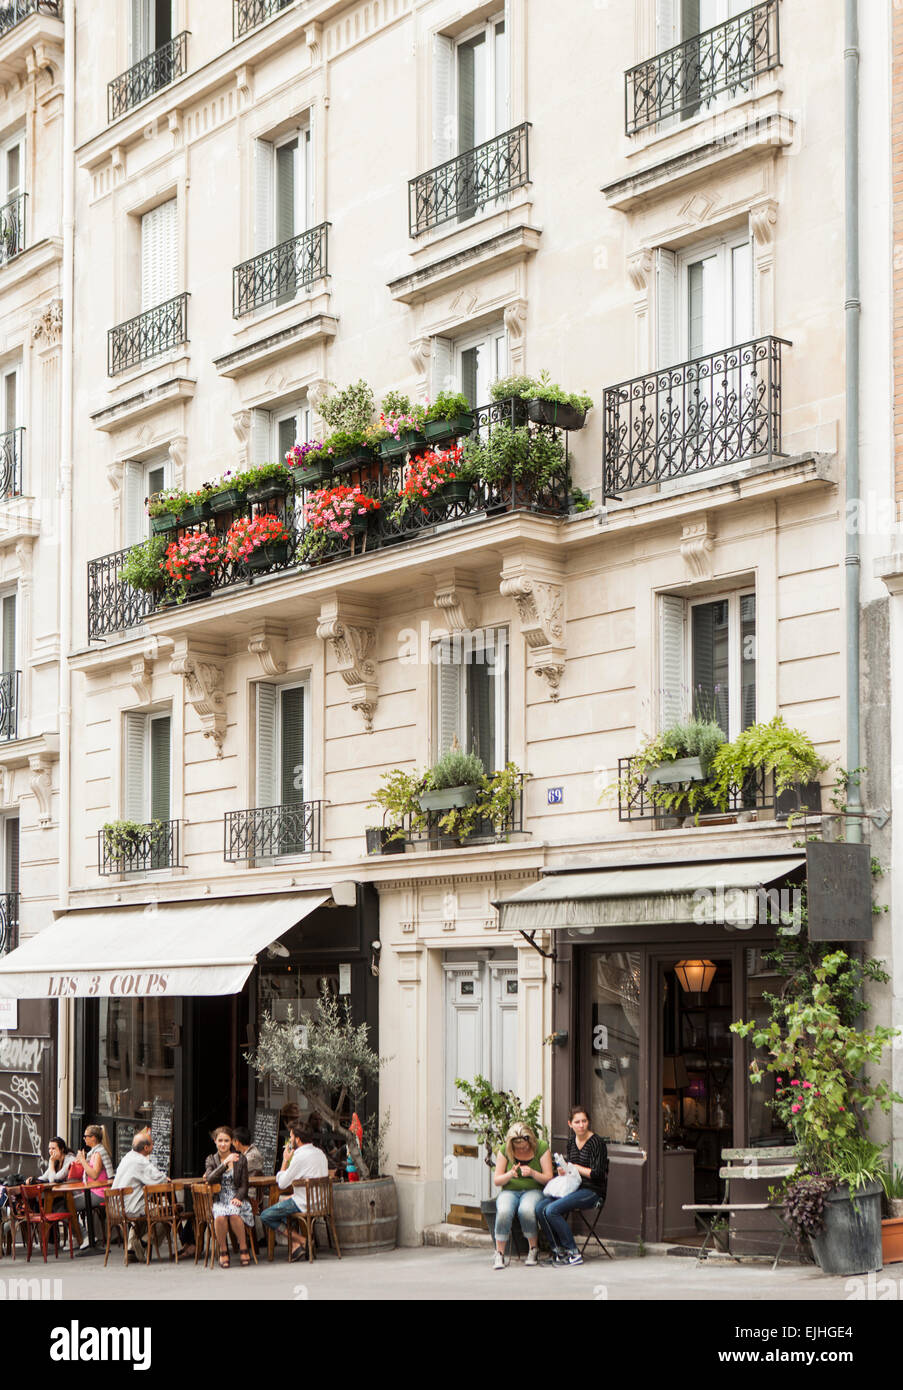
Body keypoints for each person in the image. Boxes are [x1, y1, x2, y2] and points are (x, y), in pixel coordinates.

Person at [536, 1105, 608, 1267]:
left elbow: (597, 1174)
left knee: (552, 1210)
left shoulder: (597, 1143)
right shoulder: (571, 1142)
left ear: (588, 1122)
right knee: (540, 1208)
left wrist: (574, 1167)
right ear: (570, 1124)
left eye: (584, 1121)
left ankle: (573, 1253)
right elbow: (572, 1171)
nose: (581, 1125)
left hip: (592, 1190)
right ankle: (558, 1251)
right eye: (577, 1122)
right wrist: (564, 1170)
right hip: (573, 1187)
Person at [259, 1119, 328, 1260]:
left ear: (297, 1139)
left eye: (291, 1137)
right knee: (285, 1202)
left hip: (304, 1204)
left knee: (266, 1215)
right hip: (321, 1203)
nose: (290, 1140)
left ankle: (302, 1241)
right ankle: (295, 1247)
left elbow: (282, 1184)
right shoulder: (320, 1153)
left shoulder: (299, 1156)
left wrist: (285, 1160)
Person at [491, 1122, 554, 1270]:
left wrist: (532, 1173)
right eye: (518, 1148)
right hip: (510, 1191)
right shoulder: (505, 1150)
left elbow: (548, 1178)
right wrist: (510, 1174)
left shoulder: (542, 1147)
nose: (522, 1149)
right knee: (504, 1210)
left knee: (526, 1209)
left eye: (525, 1146)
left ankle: (533, 1249)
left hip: (534, 1189)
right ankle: (499, 1253)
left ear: (530, 1140)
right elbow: (497, 1180)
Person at [111, 1134, 167, 1259]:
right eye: (152, 1144)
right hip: (130, 1207)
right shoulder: (141, 1161)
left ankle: (131, 1251)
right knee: (167, 1212)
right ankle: (143, 1242)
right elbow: (158, 1179)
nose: (153, 1146)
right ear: (146, 1148)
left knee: (145, 1210)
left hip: (115, 1207)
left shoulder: (127, 1157)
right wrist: (165, 1178)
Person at [205, 1126, 253, 1268]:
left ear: (232, 1142)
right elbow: (209, 1179)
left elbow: (245, 1184)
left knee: (233, 1214)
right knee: (220, 1216)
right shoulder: (211, 1160)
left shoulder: (241, 1159)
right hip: (219, 1199)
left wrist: (238, 1197)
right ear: (215, 1141)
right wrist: (224, 1164)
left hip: (237, 1197)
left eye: (226, 1140)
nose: (223, 1144)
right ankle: (223, 1250)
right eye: (220, 1140)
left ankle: (243, 1247)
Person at [73, 1124, 114, 1248]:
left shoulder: (98, 1153)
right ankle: (80, 1236)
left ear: (94, 1138)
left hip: (100, 1193)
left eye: (86, 1136)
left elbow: (95, 1175)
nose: (84, 1138)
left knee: (68, 1206)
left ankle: (84, 1236)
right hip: (94, 1191)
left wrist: (83, 1160)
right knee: (67, 1203)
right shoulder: (95, 1152)